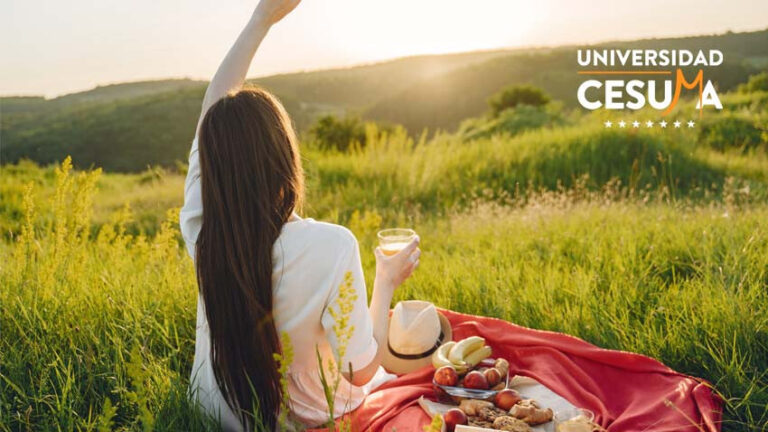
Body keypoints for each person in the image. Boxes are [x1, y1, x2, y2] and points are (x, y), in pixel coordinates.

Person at [179, 0, 421, 430]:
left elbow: (209, 116)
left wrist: (260, 20)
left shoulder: (201, 229)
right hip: (299, 421)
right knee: (407, 368)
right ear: (284, 160)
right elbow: (360, 371)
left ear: (211, 165)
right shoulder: (331, 245)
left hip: (211, 411)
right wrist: (385, 282)